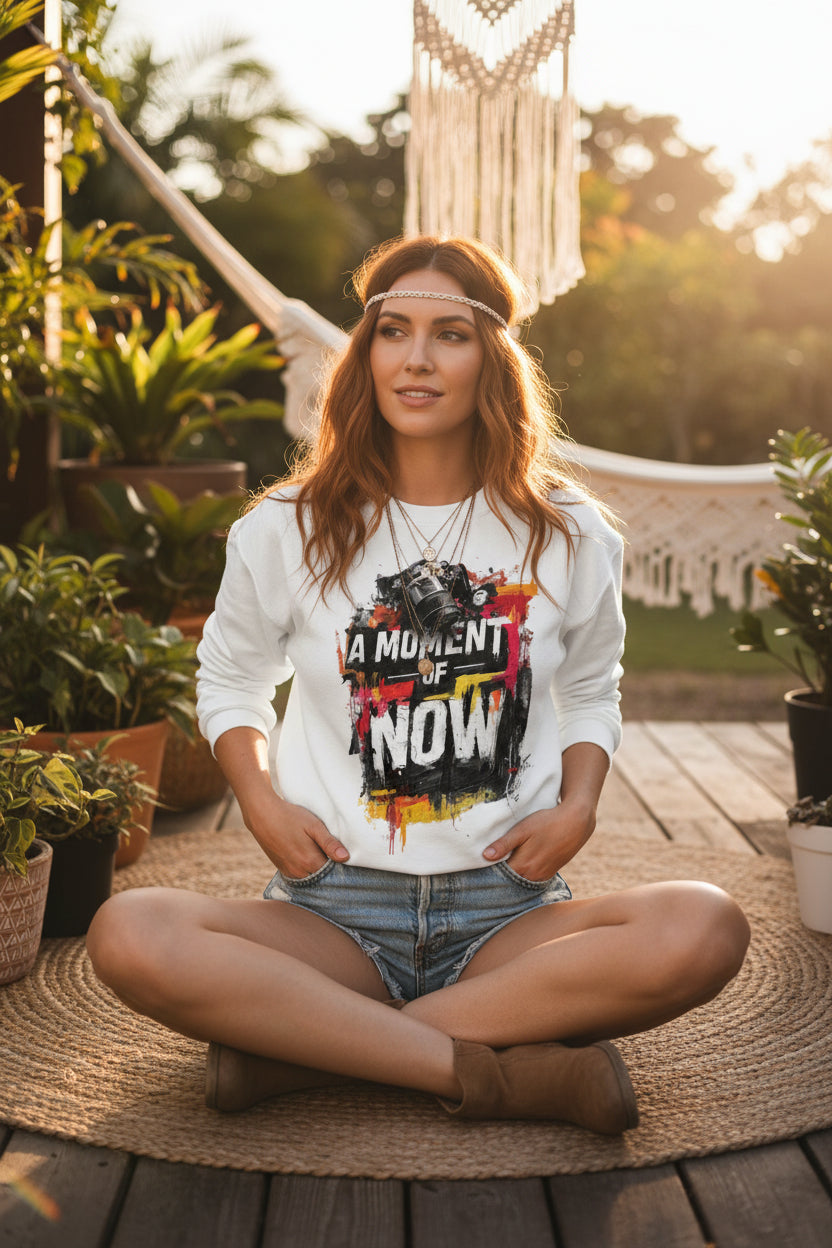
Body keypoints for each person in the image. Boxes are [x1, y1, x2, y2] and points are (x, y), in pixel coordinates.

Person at [87, 235, 750, 1135]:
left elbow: (594, 687)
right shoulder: (285, 528)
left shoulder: (570, 533)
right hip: (333, 910)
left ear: (494, 362)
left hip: (506, 915)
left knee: (706, 927)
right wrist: (259, 800)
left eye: (451, 334)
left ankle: (303, 1053)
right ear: (365, 356)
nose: (418, 358)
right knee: (130, 935)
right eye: (393, 330)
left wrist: (580, 805)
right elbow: (234, 677)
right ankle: (507, 1079)